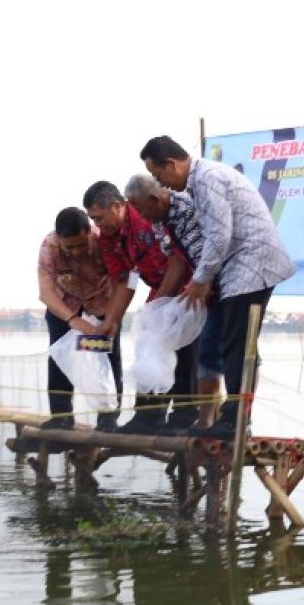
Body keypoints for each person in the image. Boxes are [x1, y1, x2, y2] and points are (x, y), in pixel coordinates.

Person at [140, 135, 297, 440]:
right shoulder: (201, 179)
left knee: (237, 345)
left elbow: (218, 237)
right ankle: (230, 418)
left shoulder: (207, 179)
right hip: (240, 267)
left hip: (252, 264)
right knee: (227, 344)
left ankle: (236, 419)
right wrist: (203, 279)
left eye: (160, 176)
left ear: (171, 164)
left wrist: (200, 280)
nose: (164, 184)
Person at [82, 180, 198, 434]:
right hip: (159, 287)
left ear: (117, 206)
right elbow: (125, 279)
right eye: (93, 219)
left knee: (183, 347)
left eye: (99, 218)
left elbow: (177, 261)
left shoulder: (146, 219)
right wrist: (111, 320)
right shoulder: (108, 238)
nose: (97, 226)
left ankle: (184, 416)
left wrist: (160, 308)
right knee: (146, 342)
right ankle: (147, 417)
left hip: (189, 284)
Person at [125, 172, 225, 429]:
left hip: (206, 286)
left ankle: (192, 417)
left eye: (140, 209)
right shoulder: (158, 221)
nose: (140, 217)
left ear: (154, 199)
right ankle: (149, 416)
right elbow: (176, 260)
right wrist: (159, 305)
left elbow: (212, 246)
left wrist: (200, 283)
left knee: (195, 353)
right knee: (153, 337)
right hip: (183, 288)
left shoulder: (185, 206)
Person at [36, 207, 121, 430]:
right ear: (59, 238)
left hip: (101, 302)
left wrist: (111, 318)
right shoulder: (49, 246)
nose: (75, 252)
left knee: (104, 352)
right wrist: (73, 319)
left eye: (81, 245)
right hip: (64, 304)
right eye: (69, 247)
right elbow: (46, 292)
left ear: (89, 233)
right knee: (59, 356)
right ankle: (61, 417)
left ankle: (108, 416)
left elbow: (121, 282)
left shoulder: (104, 241)